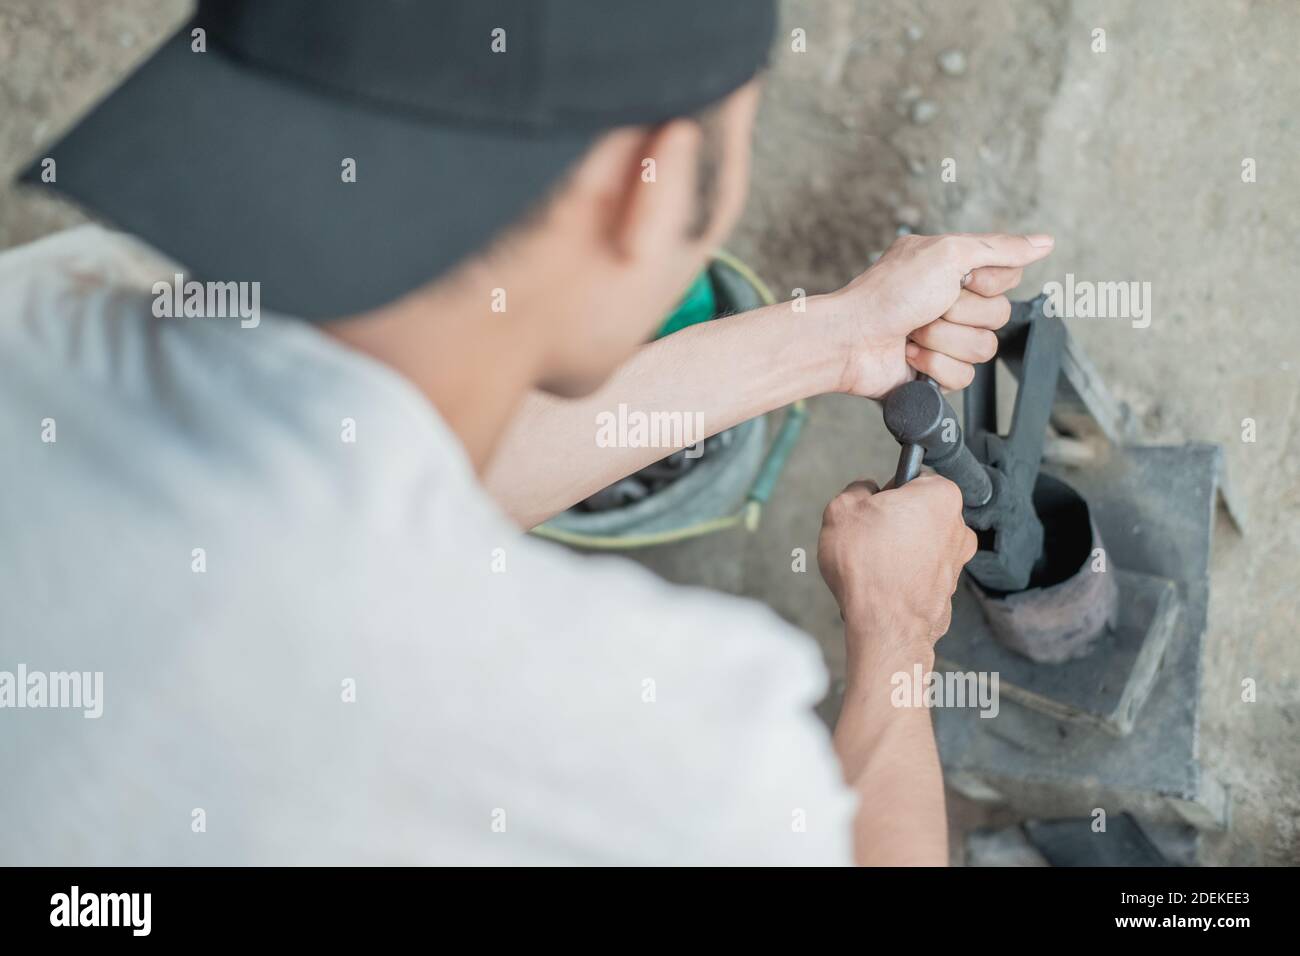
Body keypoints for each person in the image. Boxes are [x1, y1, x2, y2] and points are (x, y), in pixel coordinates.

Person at [0, 0, 1052, 865]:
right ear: (640, 191)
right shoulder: (659, 748)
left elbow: (366, 461)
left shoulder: (49, 309)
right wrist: (897, 634)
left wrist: (834, 340)